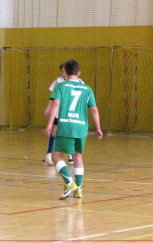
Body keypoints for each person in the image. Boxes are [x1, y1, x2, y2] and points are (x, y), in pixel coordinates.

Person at [46, 59, 103, 200]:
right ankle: (79, 189)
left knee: (56, 156)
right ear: (78, 72)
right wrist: (98, 128)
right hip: (81, 126)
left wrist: (49, 124)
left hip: (65, 125)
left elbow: (56, 104)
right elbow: (94, 110)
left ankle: (69, 183)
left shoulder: (61, 86)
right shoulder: (87, 88)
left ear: (64, 72)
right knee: (78, 157)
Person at [43, 63, 85, 165]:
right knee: (55, 131)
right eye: (62, 72)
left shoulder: (80, 83)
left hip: (72, 112)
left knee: (69, 132)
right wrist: (49, 107)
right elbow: (53, 98)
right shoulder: (59, 81)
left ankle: (70, 154)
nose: (64, 73)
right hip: (60, 111)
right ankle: (50, 152)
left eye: (65, 71)